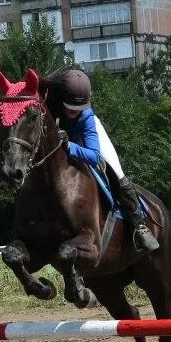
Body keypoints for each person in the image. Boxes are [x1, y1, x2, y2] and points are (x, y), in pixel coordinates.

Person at [46, 68, 160, 253]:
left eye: (79, 109)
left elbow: (93, 155)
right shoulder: (51, 100)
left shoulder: (86, 116)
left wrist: (70, 147)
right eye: (71, 108)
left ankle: (139, 225)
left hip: (84, 139)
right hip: (60, 142)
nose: (74, 113)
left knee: (117, 171)